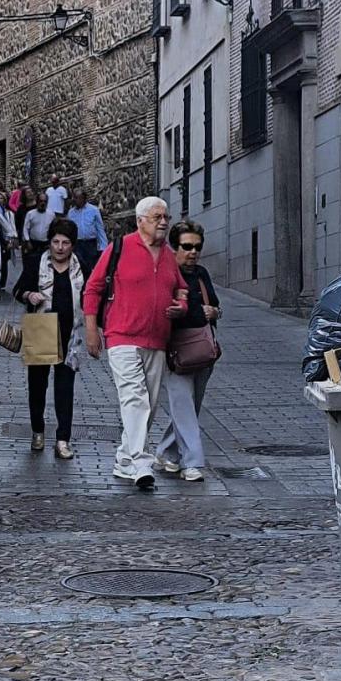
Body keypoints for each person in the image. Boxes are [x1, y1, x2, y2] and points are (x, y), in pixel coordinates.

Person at [82, 196, 187, 490]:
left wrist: (180, 304)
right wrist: (92, 330)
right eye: (157, 217)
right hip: (121, 335)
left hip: (157, 339)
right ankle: (141, 461)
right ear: (140, 221)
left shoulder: (168, 255)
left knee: (149, 405)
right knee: (134, 398)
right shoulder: (120, 248)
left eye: (166, 217)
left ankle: (124, 459)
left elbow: (181, 288)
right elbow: (92, 289)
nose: (164, 222)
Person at [159, 220, 219, 483]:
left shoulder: (202, 274)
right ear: (174, 247)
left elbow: (215, 305)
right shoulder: (165, 273)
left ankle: (166, 452)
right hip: (175, 351)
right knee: (183, 405)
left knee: (190, 408)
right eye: (187, 246)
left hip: (203, 350)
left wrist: (215, 311)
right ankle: (192, 463)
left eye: (197, 247)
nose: (193, 252)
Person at [23, 219, 84, 459]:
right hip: (41, 328)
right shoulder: (35, 263)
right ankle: (37, 430)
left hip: (70, 335)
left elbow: (91, 297)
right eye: (55, 242)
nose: (59, 247)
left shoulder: (82, 267)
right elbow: (20, 290)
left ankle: (62, 439)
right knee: (38, 385)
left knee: (65, 388)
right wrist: (30, 295)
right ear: (49, 242)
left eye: (65, 243)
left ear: (72, 245)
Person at [66, 188, 109, 274]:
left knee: (91, 267)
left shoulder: (93, 210)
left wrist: (104, 247)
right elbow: (69, 231)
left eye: (77, 198)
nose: (75, 200)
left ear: (83, 198)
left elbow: (100, 229)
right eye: (74, 197)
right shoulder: (71, 213)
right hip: (78, 244)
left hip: (90, 244)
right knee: (79, 268)